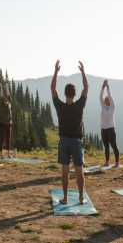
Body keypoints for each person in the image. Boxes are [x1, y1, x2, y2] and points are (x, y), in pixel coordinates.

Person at [51, 60, 88, 205]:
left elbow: (52, 88)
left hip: (64, 141)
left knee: (65, 171)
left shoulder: (60, 106)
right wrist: (83, 72)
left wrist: (55, 71)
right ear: (74, 94)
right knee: (79, 171)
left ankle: (65, 198)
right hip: (77, 142)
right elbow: (86, 87)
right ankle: (80, 198)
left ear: (65, 93)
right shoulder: (79, 105)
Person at [100, 79, 120, 167]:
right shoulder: (103, 107)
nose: (105, 101)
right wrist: (102, 87)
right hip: (103, 129)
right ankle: (107, 162)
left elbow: (110, 96)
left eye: (107, 100)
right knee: (106, 146)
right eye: (105, 100)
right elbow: (100, 97)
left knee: (114, 146)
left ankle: (117, 162)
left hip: (111, 129)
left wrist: (107, 88)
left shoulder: (112, 107)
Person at [0, 82, 13, 159]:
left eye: (6, 99)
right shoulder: (2, 103)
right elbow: (2, 95)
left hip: (9, 124)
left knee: (8, 139)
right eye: (5, 99)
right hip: (3, 123)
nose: (6, 99)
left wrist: (6, 86)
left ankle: (8, 154)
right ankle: (1, 154)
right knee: (2, 139)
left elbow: (8, 94)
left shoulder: (9, 103)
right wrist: (1, 87)